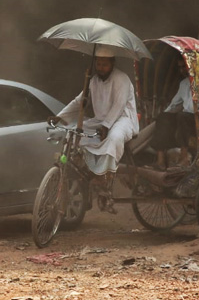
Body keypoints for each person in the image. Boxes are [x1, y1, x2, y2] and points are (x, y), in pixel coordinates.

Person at [49, 46, 139, 213]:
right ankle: (85, 168)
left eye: (104, 64)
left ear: (112, 63)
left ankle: (105, 178)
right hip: (101, 120)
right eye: (98, 64)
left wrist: (107, 125)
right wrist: (60, 117)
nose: (101, 67)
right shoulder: (93, 80)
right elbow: (79, 101)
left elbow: (119, 105)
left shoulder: (122, 79)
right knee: (74, 132)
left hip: (122, 119)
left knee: (114, 138)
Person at [149, 55, 196, 170]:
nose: (182, 71)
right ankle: (160, 160)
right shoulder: (184, 83)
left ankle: (184, 158)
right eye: (180, 68)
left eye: (184, 67)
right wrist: (162, 117)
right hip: (185, 117)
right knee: (163, 117)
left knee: (182, 116)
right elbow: (174, 105)